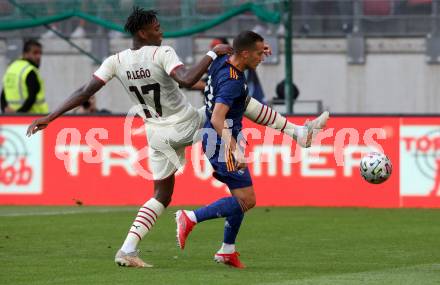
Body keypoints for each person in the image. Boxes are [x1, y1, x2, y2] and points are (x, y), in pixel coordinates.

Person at [27, 7, 328, 268]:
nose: (162, 32)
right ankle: (296, 133)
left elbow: (84, 92)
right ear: (143, 33)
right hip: (185, 123)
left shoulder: (115, 61)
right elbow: (186, 79)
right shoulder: (162, 52)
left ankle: (128, 249)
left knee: (162, 195)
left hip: (155, 133)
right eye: (157, 28)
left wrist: (51, 117)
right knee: (234, 102)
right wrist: (212, 54)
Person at [175, 31, 329, 268]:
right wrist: (234, 149)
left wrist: (257, 47)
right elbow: (217, 118)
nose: (262, 57)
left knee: (242, 195)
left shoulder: (222, 59)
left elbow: (234, 47)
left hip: (224, 135)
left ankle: (227, 250)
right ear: (244, 54)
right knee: (247, 199)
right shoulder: (231, 82)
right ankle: (190, 218)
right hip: (221, 141)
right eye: (258, 53)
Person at [1, 39, 49, 114]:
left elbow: (3, 94)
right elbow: (31, 98)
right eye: (35, 53)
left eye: (40, 53)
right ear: (25, 54)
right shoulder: (30, 71)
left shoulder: (11, 68)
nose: (38, 57)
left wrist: (6, 110)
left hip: (11, 118)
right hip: (34, 117)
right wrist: (19, 113)